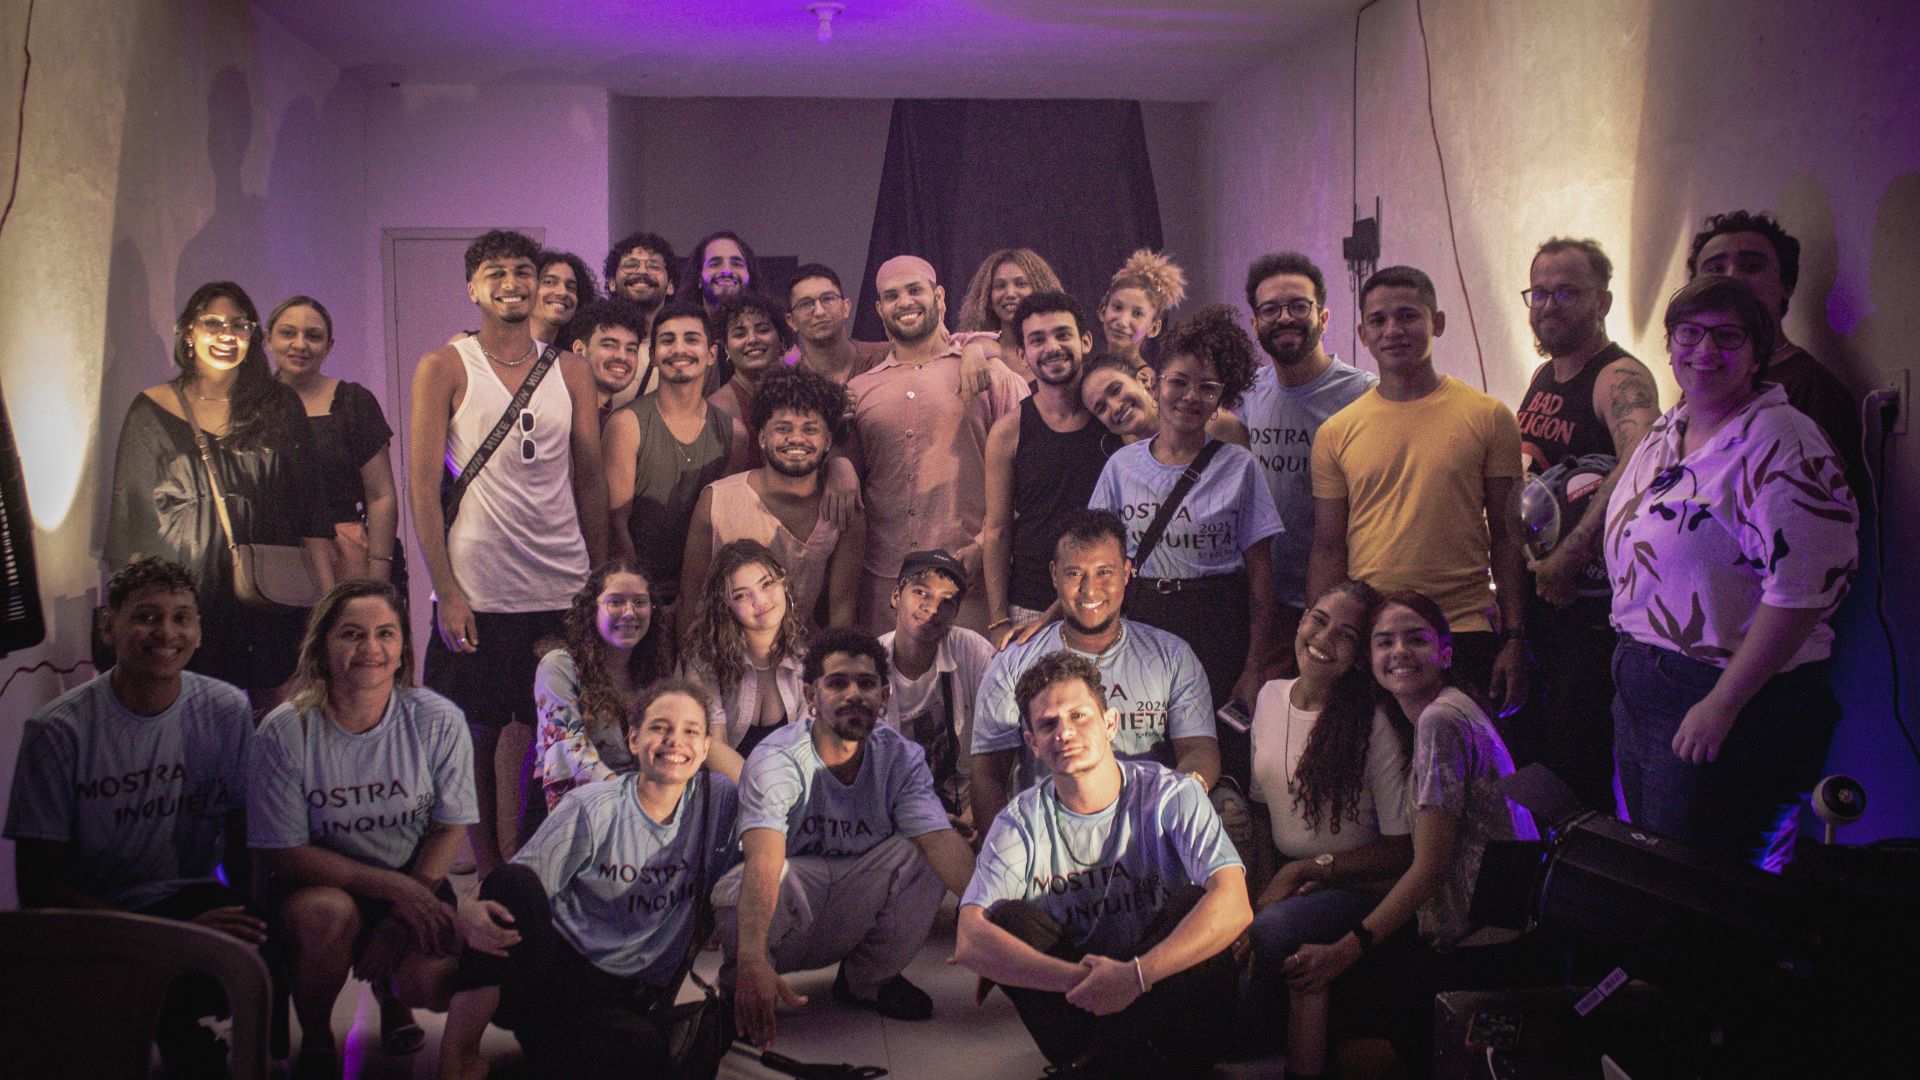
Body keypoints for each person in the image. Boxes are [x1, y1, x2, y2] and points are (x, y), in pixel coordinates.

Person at [1605, 275, 1857, 871]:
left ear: (1757, 353)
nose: (1704, 350)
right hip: (1646, 679)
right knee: (1655, 869)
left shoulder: (1783, 443)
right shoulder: (1672, 427)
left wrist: (1723, 702)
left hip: (1727, 695)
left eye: (1727, 336)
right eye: (1689, 333)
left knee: (1702, 885)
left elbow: (1801, 593)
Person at [6, 558, 261, 1077]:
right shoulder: (58, 730)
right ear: (109, 626)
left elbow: (241, 831)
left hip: (191, 893)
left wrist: (251, 911)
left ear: (197, 630)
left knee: (263, 938)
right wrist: (173, 932)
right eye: (146, 616)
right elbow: (38, 886)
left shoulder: (226, 708)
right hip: (96, 911)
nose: (165, 633)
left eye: (180, 618)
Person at [408, 229, 608, 875]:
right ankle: (488, 865)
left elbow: (590, 480)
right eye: (495, 272)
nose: (512, 282)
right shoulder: (444, 366)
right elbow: (421, 487)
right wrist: (447, 590)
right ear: (473, 288)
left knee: (555, 732)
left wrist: (599, 580)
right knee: (474, 731)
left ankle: (540, 859)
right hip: (478, 587)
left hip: (561, 584)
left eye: (524, 270)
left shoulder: (571, 370)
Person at [954, 651, 1251, 1080]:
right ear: (1033, 743)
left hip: (1173, 1014)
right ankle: (1119, 1062)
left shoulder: (1172, 794)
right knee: (1007, 920)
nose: (1065, 732)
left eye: (1079, 716)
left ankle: (1108, 1064)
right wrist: (1086, 982)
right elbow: (970, 938)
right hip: (1083, 1010)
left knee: (1195, 901)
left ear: (1110, 724)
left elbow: (1236, 904)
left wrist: (1135, 977)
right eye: (1048, 724)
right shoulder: (1019, 821)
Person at [1280, 592, 1539, 1080]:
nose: (1399, 651)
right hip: (1487, 940)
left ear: (1445, 653)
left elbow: (1431, 869)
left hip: (1484, 958)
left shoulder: (1440, 721)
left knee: (1340, 1038)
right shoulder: (1442, 711)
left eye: (1416, 639)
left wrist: (1343, 951)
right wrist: (1334, 880)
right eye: (1384, 642)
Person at [438, 680, 740, 1080]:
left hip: (627, 994)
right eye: (659, 727)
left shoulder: (717, 800)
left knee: (640, 1052)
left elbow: (765, 793)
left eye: (690, 731)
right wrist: (466, 908)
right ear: (633, 739)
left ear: (705, 748)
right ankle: (458, 1061)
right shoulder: (592, 807)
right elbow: (515, 887)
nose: (674, 741)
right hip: (553, 975)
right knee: (514, 883)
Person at [249, 580, 479, 1078]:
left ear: (402, 649)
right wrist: (394, 889)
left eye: (385, 633)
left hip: (413, 877)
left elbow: (449, 827)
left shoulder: (438, 720)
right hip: (319, 885)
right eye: (352, 634)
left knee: (435, 980)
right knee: (326, 917)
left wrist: (399, 916)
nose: (370, 647)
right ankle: (316, 1034)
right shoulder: (286, 730)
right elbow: (283, 851)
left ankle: (392, 995)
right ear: (323, 645)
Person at [718, 628, 979, 1048]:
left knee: (929, 851)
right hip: (787, 901)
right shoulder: (776, 758)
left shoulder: (900, 756)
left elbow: (940, 842)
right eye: (838, 683)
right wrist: (750, 957)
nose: (854, 694)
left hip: (853, 891)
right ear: (810, 695)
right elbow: (764, 860)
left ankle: (867, 981)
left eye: (866, 683)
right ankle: (744, 986)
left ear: (884, 696)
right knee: (743, 885)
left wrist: (996, 928)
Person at [1307, 265, 1531, 718]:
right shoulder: (1336, 432)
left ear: (1437, 322)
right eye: (1378, 320)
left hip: (1462, 629)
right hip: (1374, 633)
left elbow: (1508, 536)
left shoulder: (1489, 417)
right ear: (1363, 333)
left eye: (1408, 315)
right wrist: (1321, 641)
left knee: (1468, 762)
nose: (1393, 330)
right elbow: (1329, 547)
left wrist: (1515, 636)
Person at [107, 280, 334, 712]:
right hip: (185, 595)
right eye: (213, 323)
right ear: (189, 333)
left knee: (271, 716)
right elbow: (129, 520)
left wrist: (326, 607)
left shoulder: (278, 404)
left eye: (239, 325)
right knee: (187, 714)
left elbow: (311, 512)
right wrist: (130, 618)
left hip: (268, 593)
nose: (227, 335)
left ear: (253, 335)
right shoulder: (151, 409)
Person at [1088, 304, 1282, 787]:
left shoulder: (1239, 466)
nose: (1191, 396)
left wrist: (1254, 665)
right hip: (1143, 616)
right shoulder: (1121, 467)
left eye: (1207, 387)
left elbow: (1261, 577)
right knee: (1145, 746)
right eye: (1179, 381)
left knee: (1220, 752)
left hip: (1217, 620)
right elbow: (1097, 559)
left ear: (1222, 397)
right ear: (1155, 383)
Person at [1509, 238, 1660, 812]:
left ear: (1603, 301)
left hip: (1591, 616)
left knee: (1580, 769)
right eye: (1540, 292)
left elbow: (1643, 458)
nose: (1550, 305)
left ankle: (1587, 867)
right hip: (1545, 608)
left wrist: (1572, 552)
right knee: (1542, 760)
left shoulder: (1617, 375)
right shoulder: (1545, 375)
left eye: (1567, 292)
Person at [1241, 580, 1412, 1057]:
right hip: (1291, 880)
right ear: (1301, 619)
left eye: (1346, 635)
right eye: (1318, 620)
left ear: (1359, 657)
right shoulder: (1270, 696)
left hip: (1359, 888)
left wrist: (1306, 871)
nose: (1324, 638)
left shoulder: (1373, 720)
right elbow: (1260, 809)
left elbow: (1403, 851)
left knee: (1273, 933)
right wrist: (1265, 889)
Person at [971, 510, 1219, 832]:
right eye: (1075, 573)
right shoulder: (1013, 662)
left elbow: (1199, 749)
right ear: (1054, 574)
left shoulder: (1171, 656)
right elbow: (987, 774)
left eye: (1104, 572)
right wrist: (1003, 848)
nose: (1090, 590)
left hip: (1150, 828)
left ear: (1126, 572)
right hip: (1050, 837)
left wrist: (1180, 800)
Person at [845, 255, 1028, 636]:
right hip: (885, 585)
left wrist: (984, 545)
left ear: (939, 297)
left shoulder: (992, 376)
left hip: (970, 579)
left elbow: (1028, 475)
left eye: (915, 290)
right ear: (879, 309)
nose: (905, 302)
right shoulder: (859, 391)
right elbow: (852, 482)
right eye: (892, 296)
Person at [1233, 254, 1378, 678]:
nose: (1285, 318)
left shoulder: (1363, 395)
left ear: (1323, 317)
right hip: (1261, 600)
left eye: (1299, 306)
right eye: (1270, 310)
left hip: (1335, 604)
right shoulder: (1248, 393)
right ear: (1255, 323)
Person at [1686, 210, 1865, 497]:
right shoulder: (1700, 372)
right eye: (1715, 269)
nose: (1732, 278)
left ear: (1786, 285)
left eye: (1751, 266)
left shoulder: (1813, 389)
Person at [681, 364, 864, 628]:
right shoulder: (716, 501)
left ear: (827, 441)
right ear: (762, 438)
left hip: (802, 650)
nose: (796, 439)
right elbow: (691, 602)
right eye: (783, 428)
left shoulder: (843, 506)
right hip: (723, 649)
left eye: (810, 429)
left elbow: (842, 611)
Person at [981, 290, 1113, 639]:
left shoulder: (1114, 420)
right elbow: (997, 531)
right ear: (1023, 354)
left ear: (1086, 341)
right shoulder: (1008, 431)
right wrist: (998, 620)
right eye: (1037, 339)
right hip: (1029, 605)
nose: (1052, 347)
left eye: (1063, 334)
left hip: (1108, 600)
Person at [604, 300, 751, 611]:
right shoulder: (627, 424)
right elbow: (615, 524)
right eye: (668, 340)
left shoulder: (734, 434)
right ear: (653, 355)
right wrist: (643, 598)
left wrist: (693, 599)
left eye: (691, 339)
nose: (679, 349)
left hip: (703, 596)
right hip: (638, 596)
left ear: (712, 354)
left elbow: (723, 528)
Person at [268, 295, 404, 591]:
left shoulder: (354, 403)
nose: (300, 344)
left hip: (346, 559)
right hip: (274, 559)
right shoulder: (251, 407)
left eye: (313, 336)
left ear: (329, 345)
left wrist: (378, 576)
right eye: (288, 333)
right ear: (269, 338)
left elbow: (381, 495)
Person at [533, 559, 672, 809]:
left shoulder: (653, 670)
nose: (629, 612)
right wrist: (636, 802)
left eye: (639, 602)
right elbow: (569, 753)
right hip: (582, 807)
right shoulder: (560, 666)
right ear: (592, 609)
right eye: (616, 602)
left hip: (644, 802)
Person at [877, 549, 996, 837]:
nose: (933, 607)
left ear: (956, 613)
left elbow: (1002, 741)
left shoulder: (972, 650)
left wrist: (974, 814)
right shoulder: (870, 662)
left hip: (968, 801)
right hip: (893, 811)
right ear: (896, 596)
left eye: (947, 600)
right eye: (921, 592)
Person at [681, 540, 811, 776]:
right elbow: (711, 746)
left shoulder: (806, 658)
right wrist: (759, 790)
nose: (760, 601)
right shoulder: (707, 659)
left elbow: (805, 747)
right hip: (724, 786)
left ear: (782, 580)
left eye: (766, 584)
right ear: (726, 606)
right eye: (741, 595)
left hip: (788, 784)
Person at [1080, 353, 1251, 449]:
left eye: (1116, 390)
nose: (1115, 407)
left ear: (1144, 380)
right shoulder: (1124, 453)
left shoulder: (1214, 425)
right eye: (1101, 408)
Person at [710, 291, 797, 465]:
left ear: (781, 339)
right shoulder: (718, 411)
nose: (752, 339)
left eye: (763, 330)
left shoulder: (801, 395)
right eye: (740, 334)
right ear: (726, 348)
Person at [956, 247, 1064, 382]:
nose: (1010, 293)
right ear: (987, 296)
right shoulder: (974, 350)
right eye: (1000, 286)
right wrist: (972, 350)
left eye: (1021, 284)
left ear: (1040, 289)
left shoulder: (1058, 350)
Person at [784, 263, 891, 386]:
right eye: (805, 304)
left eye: (828, 299)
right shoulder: (789, 384)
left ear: (846, 308)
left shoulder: (888, 357)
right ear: (791, 321)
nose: (819, 312)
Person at [602, 231, 678, 401]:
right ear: (611, 283)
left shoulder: (681, 348)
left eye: (654, 266)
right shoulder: (592, 344)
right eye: (631, 265)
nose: (642, 271)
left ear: (670, 286)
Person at [1100, 248, 1187, 381]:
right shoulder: (1092, 369)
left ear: (1154, 328)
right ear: (1103, 310)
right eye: (1117, 307)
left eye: (1137, 314)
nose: (1123, 322)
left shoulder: (1146, 382)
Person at [569, 296, 650, 426]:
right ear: (580, 350)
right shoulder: (557, 406)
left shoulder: (611, 419)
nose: (622, 356)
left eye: (631, 349)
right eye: (610, 345)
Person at [680, 229, 759, 313]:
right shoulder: (677, 321)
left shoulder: (768, 320)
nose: (727, 271)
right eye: (715, 264)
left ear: (750, 275)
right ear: (699, 277)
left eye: (737, 264)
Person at [532, 249, 595, 350]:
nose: (563, 292)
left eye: (571, 287)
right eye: (549, 282)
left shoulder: (574, 357)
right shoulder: (504, 348)